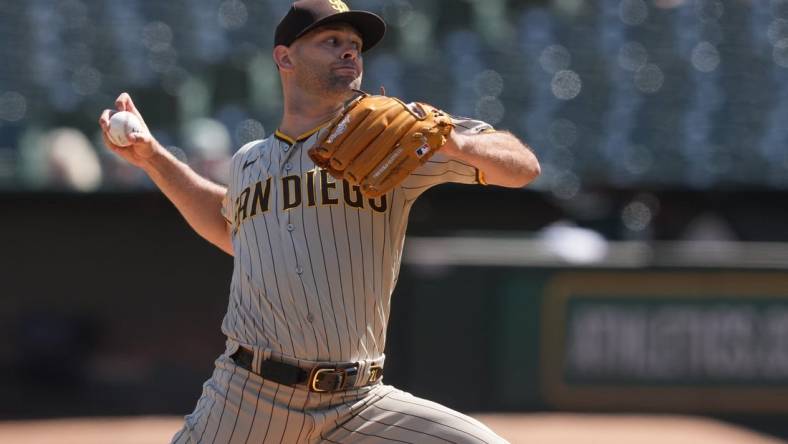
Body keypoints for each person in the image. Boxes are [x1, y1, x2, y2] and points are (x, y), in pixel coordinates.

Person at [99, 1, 540, 442]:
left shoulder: (397, 143)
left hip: (361, 402)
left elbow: (522, 168)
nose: (350, 52)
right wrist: (153, 158)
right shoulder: (249, 161)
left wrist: (452, 140)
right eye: (332, 41)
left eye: (355, 46)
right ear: (284, 58)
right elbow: (229, 228)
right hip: (250, 396)